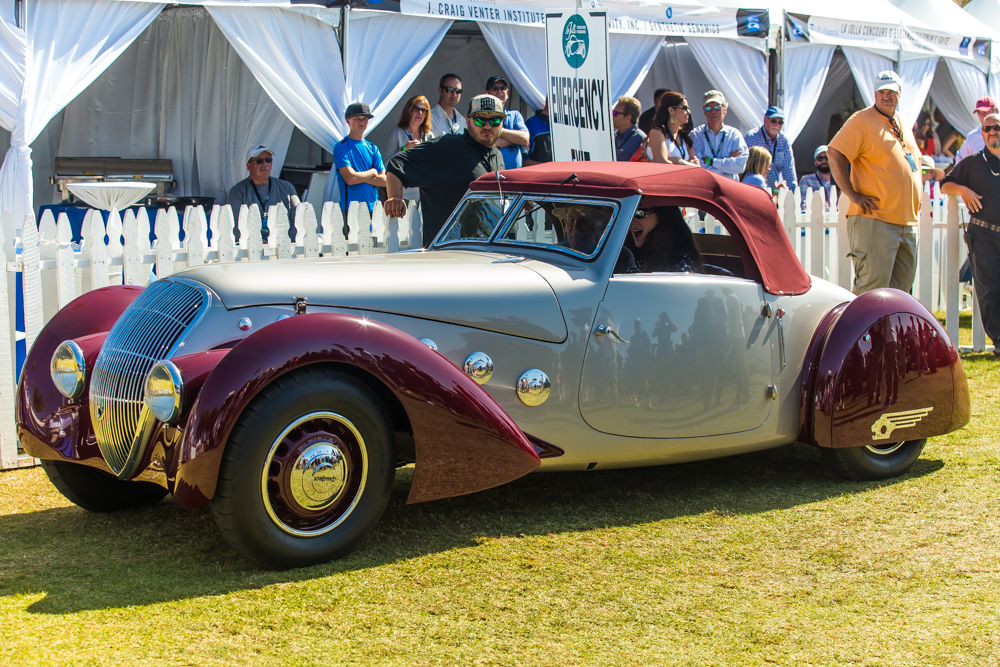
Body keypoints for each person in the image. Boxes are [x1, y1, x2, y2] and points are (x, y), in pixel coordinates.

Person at [828, 70, 921, 295]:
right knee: (872, 293)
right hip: (875, 219)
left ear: (900, 93)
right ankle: (862, 332)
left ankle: (889, 333)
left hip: (906, 222)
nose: (886, 96)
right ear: (874, 94)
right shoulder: (861, 120)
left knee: (900, 297)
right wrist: (852, 194)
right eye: (881, 92)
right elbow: (834, 152)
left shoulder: (902, 123)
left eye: (891, 91)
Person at [385, 94, 505, 247]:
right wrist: (394, 197)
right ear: (468, 121)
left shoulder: (497, 155)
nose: (488, 126)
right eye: (480, 120)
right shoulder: (449, 147)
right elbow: (397, 163)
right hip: (450, 253)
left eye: (494, 120)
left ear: (502, 123)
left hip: (488, 250)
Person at [939, 112, 1000, 356]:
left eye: (997, 127)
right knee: (989, 290)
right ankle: (999, 341)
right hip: (984, 234)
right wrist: (963, 190)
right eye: (988, 129)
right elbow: (945, 184)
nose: (993, 132)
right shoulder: (974, 162)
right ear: (982, 133)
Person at [325, 103, 387, 232]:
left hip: (373, 208)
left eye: (364, 118)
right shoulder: (341, 147)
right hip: (351, 209)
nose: (361, 121)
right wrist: (373, 172)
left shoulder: (373, 148)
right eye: (357, 118)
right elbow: (350, 179)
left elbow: (385, 181)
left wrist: (360, 176)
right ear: (348, 120)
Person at [227, 145, 298, 243]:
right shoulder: (237, 192)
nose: (264, 164)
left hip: (284, 247)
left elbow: (298, 219)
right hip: (251, 250)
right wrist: (257, 242)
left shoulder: (287, 188)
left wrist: (286, 241)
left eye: (268, 160)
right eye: (259, 161)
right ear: (249, 166)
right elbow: (234, 226)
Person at [626, 205, 704, 273]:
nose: (632, 220)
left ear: (664, 217)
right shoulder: (630, 259)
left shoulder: (681, 266)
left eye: (640, 213)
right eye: (630, 213)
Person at [690, 90, 747, 180]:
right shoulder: (695, 135)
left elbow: (740, 166)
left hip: (729, 188)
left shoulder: (735, 135)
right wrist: (727, 165)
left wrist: (710, 161)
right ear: (704, 111)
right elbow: (698, 167)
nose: (713, 111)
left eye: (717, 107)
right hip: (706, 185)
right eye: (708, 108)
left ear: (724, 110)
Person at [484, 75, 529, 169]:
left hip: (515, 177)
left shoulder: (515, 115)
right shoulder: (483, 117)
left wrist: (500, 131)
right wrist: (515, 140)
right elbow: (486, 143)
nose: (500, 91)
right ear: (487, 93)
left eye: (503, 88)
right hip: (492, 175)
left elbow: (525, 138)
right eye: (495, 88)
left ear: (507, 93)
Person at [746, 106, 796, 191]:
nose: (777, 125)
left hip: (775, 190)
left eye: (780, 122)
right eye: (773, 121)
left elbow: (789, 171)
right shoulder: (752, 137)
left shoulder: (784, 140)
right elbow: (746, 167)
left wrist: (793, 194)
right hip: (755, 188)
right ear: (765, 120)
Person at [648, 91, 698, 166]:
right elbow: (663, 163)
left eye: (688, 108)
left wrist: (678, 161)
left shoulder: (683, 137)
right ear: (671, 110)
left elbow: (696, 165)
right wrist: (683, 163)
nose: (688, 112)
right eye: (684, 108)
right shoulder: (657, 132)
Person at [385, 95, 435, 160]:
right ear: (408, 111)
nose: (420, 113)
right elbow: (387, 164)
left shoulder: (429, 136)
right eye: (416, 109)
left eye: (423, 110)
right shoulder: (396, 134)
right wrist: (404, 149)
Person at [956, 97, 999, 163]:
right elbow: (960, 157)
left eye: (985, 112)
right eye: (979, 112)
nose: (983, 115)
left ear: (996, 111)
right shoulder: (972, 137)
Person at [798, 145, 837, 211]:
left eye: (827, 158)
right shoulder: (806, 180)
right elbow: (803, 205)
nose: (824, 161)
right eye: (820, 158)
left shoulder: (839, 180)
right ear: (815, 162)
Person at [613, 96, 646, 162]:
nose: (611, 115)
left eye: (615, 113)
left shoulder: (640, 139)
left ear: (628, 118)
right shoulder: (613, 136)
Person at [525, 99, 552, 164]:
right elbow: (523, 161)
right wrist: (549, 168)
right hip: (541, 173)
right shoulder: (532, 124)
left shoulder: (567, 124)